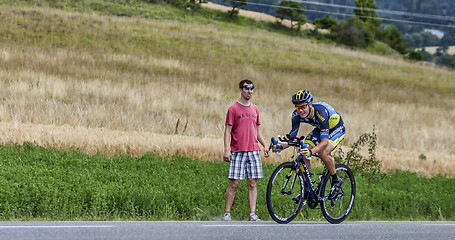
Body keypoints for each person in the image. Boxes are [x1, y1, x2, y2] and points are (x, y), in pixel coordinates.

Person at [273, 90, 345, 200]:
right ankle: (307, 190)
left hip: (336, 129)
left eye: (303, 107)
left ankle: (336, 181)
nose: (300, 110)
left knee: (323, 152)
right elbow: (292, 137)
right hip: (320, 129)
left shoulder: (321, 112)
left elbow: (324, 142)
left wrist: (311, 152)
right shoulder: (296, 115)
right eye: (298, 107)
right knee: (303, 151)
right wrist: (280, 146)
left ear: (310, 104)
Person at [223, 79, 270, 221]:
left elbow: (257, 130)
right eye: (246, 88)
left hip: (253, 150)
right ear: (240, 90)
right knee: (235, 182)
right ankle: (227, 213)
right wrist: (226, 149)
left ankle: (252, 213)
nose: (249, 91)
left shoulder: (255, 109)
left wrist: (264, 145)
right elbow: (227, 131)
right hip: (237, 151)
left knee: (252, 182)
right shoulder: (233, 109)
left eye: (251, 88)